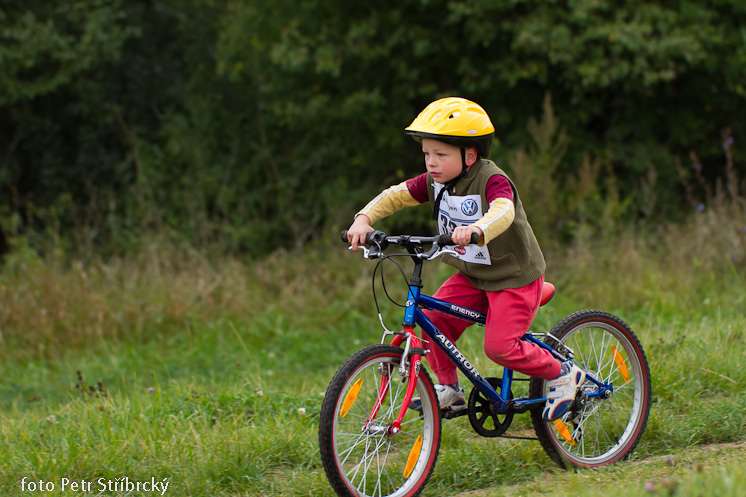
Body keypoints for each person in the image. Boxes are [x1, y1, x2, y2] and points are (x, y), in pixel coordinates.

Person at [346, 97, 585, 422]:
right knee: (430, 321)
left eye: (441, 155)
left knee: (500, 347)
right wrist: (363, 219)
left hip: (513, 277)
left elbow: (503, 209)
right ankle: (449, 391)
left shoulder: (491, 179)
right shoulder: (436, 182)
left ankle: (563, 374)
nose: (431, 162)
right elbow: (397, 195)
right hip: (474, 276)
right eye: (427, 154)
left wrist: (477, 229)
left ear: (469, 154)